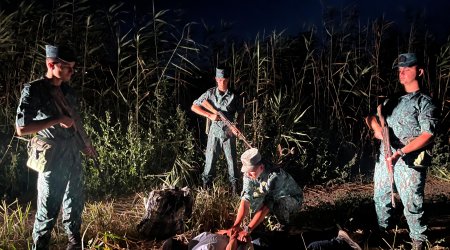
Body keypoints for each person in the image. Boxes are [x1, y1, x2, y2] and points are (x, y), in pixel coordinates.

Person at [15, 44, 96, 249]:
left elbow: (74, 120)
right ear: (51, 64)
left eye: (73, 67)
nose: (72, 71)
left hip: (72, 153)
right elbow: (22, 128)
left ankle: (74, 242)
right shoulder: (34, 89)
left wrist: (85, 145)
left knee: (74, 202)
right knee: (47, 210)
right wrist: (55, 119)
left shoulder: (68, 90)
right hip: (52, 157)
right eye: (67, 67)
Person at [365, 53, 438, 250]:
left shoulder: (424, 102)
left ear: (419, 72)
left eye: (407, 69)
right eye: (399, 70)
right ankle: (383, 233)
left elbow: (427, 135)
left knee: (412, 203)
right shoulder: (392, 100)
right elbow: (372, 117)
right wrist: (377, 129)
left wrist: (401, 152)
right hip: (385, 156)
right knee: (380, 196)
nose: (402, 73)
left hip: (409, 161)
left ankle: (418, 240)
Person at [221, 148, 303, 246]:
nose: (248, 174)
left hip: (291, 198)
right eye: (246, 171)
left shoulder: (274, 177)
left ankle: (285, 227)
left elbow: (268, 205)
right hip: (269, 195)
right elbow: (245, 200)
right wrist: (236, 225)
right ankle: (259, 223)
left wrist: (248, 229)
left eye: (251, 171)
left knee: (278, 205)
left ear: (261, 167)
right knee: (253, 201)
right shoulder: (248, 174)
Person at [191, 67, 245, 193]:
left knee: (232, 162)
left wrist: (236, 124)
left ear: (228, 80)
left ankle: (235, 192)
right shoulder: (210, 93)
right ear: (216, 79)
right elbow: (194, 106)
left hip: (229, 132)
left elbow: (241, 111)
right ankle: (206, 191)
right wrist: (210, 115)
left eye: (225, 80)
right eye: (220, 80)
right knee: (210, 161)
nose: (222, 82)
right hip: (214, 132)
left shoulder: (234, 96)